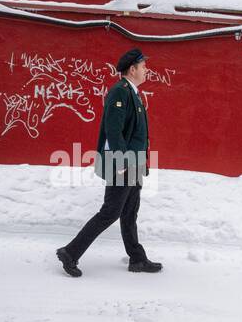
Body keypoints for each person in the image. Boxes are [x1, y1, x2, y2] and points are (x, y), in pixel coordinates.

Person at [56, 48, 163, 277]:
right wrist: (122, 161)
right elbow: (113, 131)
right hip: (122, 164)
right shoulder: (120, 92)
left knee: (129, 212)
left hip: (133, 164)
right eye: (143, 66)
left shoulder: (132, 93)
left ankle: (137, 259)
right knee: (110, 212)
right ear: (132, 69)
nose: (146, 70)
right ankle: (70, 252)